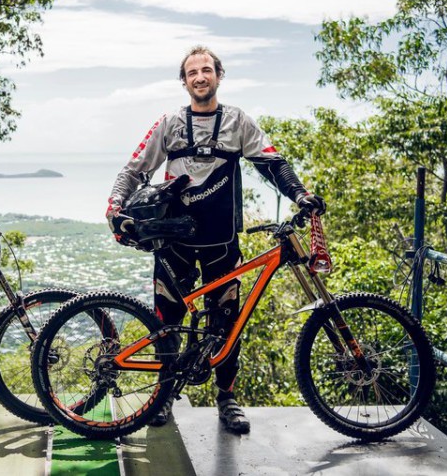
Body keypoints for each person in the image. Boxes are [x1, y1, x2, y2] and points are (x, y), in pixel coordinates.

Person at [106, 46, 325, 434]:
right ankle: (163, 395)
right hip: (173, 244)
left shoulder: (238, 122)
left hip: (222, 243)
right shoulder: (170, 123)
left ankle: (228, 398)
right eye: (192, 72)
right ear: (185, 81)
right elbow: (135, 168)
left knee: (227, 323)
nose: (200, 77)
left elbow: (272, 164)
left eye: (206, 70)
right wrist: (114, 208)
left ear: (219, 76)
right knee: (167, 321)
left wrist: (300, 194)